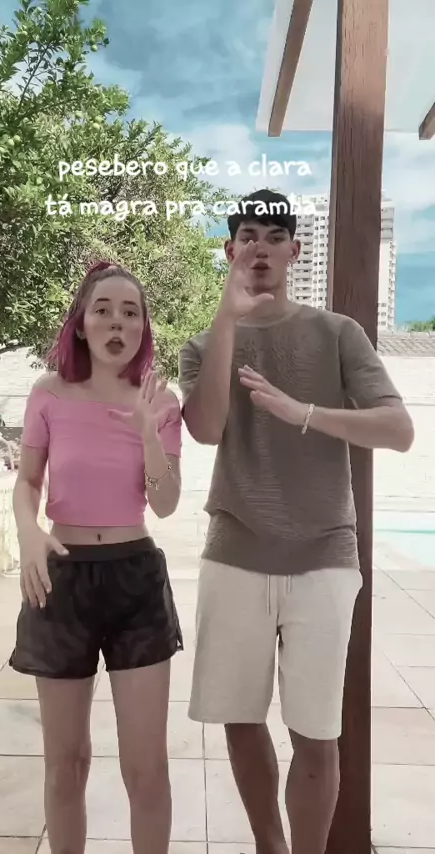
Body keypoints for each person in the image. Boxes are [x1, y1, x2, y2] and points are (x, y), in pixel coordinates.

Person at [178, 189, 414, 854]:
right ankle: (269, 847)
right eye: (247, 236)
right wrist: (226, 321)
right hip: (235, 551)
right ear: (229, 250)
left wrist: (303, 413)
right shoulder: (203, 345)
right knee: (239, 717)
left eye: (274, 236)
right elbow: (205, 429)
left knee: (317, 731)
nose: (260, 246)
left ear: (294, 251)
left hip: (324, 557)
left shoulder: (337, 333)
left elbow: (398, 429)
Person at [9, 260, 183, 854]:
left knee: (147, 768)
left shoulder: (161, 401)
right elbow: (28, 481)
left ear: (143, 328)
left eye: (130, 312)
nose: (117, 322)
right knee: (67, 763)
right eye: (103, 310)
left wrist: (146, 432)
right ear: (81, 324)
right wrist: (28, 531)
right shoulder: (49, 393)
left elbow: (165, 504)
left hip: (136, 579)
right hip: (60, 580)